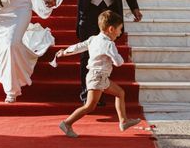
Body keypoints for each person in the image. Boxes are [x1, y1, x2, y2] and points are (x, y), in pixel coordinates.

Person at [55, 10, 141, 138]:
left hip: (99, 76)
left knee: (120, 93)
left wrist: (65, 52)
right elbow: (118, 62)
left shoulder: (93, 39)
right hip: (98, 77)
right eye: (119, 29)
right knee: (89, 106)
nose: (119, 33)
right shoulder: (109, 44)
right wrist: (120, 57)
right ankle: (66, 123)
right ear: (111, 29)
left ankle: (123, 121)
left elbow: (79, 47)